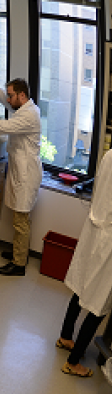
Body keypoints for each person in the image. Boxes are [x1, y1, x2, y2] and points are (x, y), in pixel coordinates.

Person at [0, 72, 43, 276]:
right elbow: (4, 98)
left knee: (21, 220)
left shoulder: (29, 115)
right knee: (20, 217)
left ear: (22, 96)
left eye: (11, 95)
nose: (8, 99)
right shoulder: (25, 108)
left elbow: (6, 126)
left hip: (26, 172)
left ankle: (19, 264)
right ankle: (18, 252)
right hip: (20, 168)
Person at [57, 151, 112, 377]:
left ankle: (66, 336)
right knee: (99, 303)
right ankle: (73, 362)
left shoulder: (109, 154)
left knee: (81, 289)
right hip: (108, 240)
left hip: (95, 230)